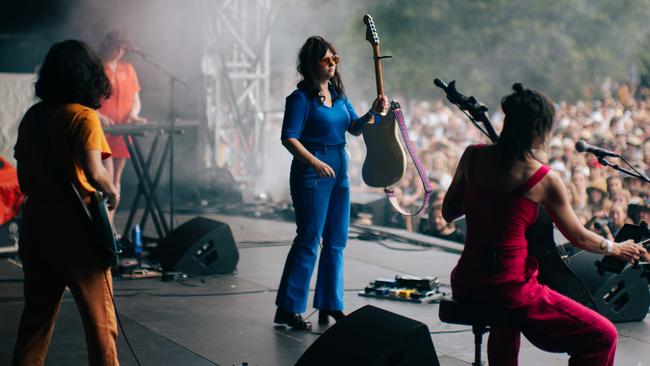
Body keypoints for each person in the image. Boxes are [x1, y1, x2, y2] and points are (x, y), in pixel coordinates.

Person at [443, 83, 646, 366]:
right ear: (538, 128)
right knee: (604, 335)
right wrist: (617, 248)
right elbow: (579, 237)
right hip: (509, 287)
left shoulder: (472, 156)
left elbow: (448, 212)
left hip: (467, 280)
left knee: (505, 322)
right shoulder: (543, 179)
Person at [12, 40, 120, 366]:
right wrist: (111, 191)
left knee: (36, 318)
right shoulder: (84, 117)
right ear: (89, 76)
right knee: (100, 320)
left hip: (35, 221)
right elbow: (94, 171)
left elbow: (23, 175)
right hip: (75, 227)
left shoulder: (33, 116)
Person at [274, 36, 388, 330]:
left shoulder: (338, 96)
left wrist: (372, 111)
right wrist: (313, 161)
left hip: (339, 168)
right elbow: (289, 137)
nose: (333, 64)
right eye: (327, 60)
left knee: (336, 240)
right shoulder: (300, 99)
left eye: (335, 59)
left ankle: (330, 302)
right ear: (312, 63)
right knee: (309, 240)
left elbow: (354, 128)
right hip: (313, 172)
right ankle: (288, 308)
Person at [97, 30, 146, 221]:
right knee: (104, 180)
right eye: (116, 47)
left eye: (123, 48)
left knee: (116, 178)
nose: (119, 52)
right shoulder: (98, 68)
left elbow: (136, 99)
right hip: (102, 132)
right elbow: (87, 98)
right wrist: (97, 114)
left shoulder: (128, 69)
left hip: (122, 132)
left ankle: (109, 223)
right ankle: (102, 224)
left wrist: (133, 114)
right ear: (108, 45)